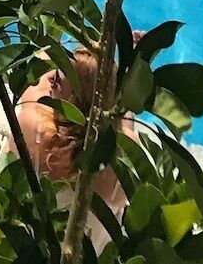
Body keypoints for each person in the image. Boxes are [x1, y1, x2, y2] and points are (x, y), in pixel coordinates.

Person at [18, 50, 133, 253]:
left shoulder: (35, 129)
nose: (52, 78)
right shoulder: (122, 160)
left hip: (26, 250)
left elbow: (31, 87)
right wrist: (125, 73)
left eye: (57, 81)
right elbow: (124, 121)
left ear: (76, 98)